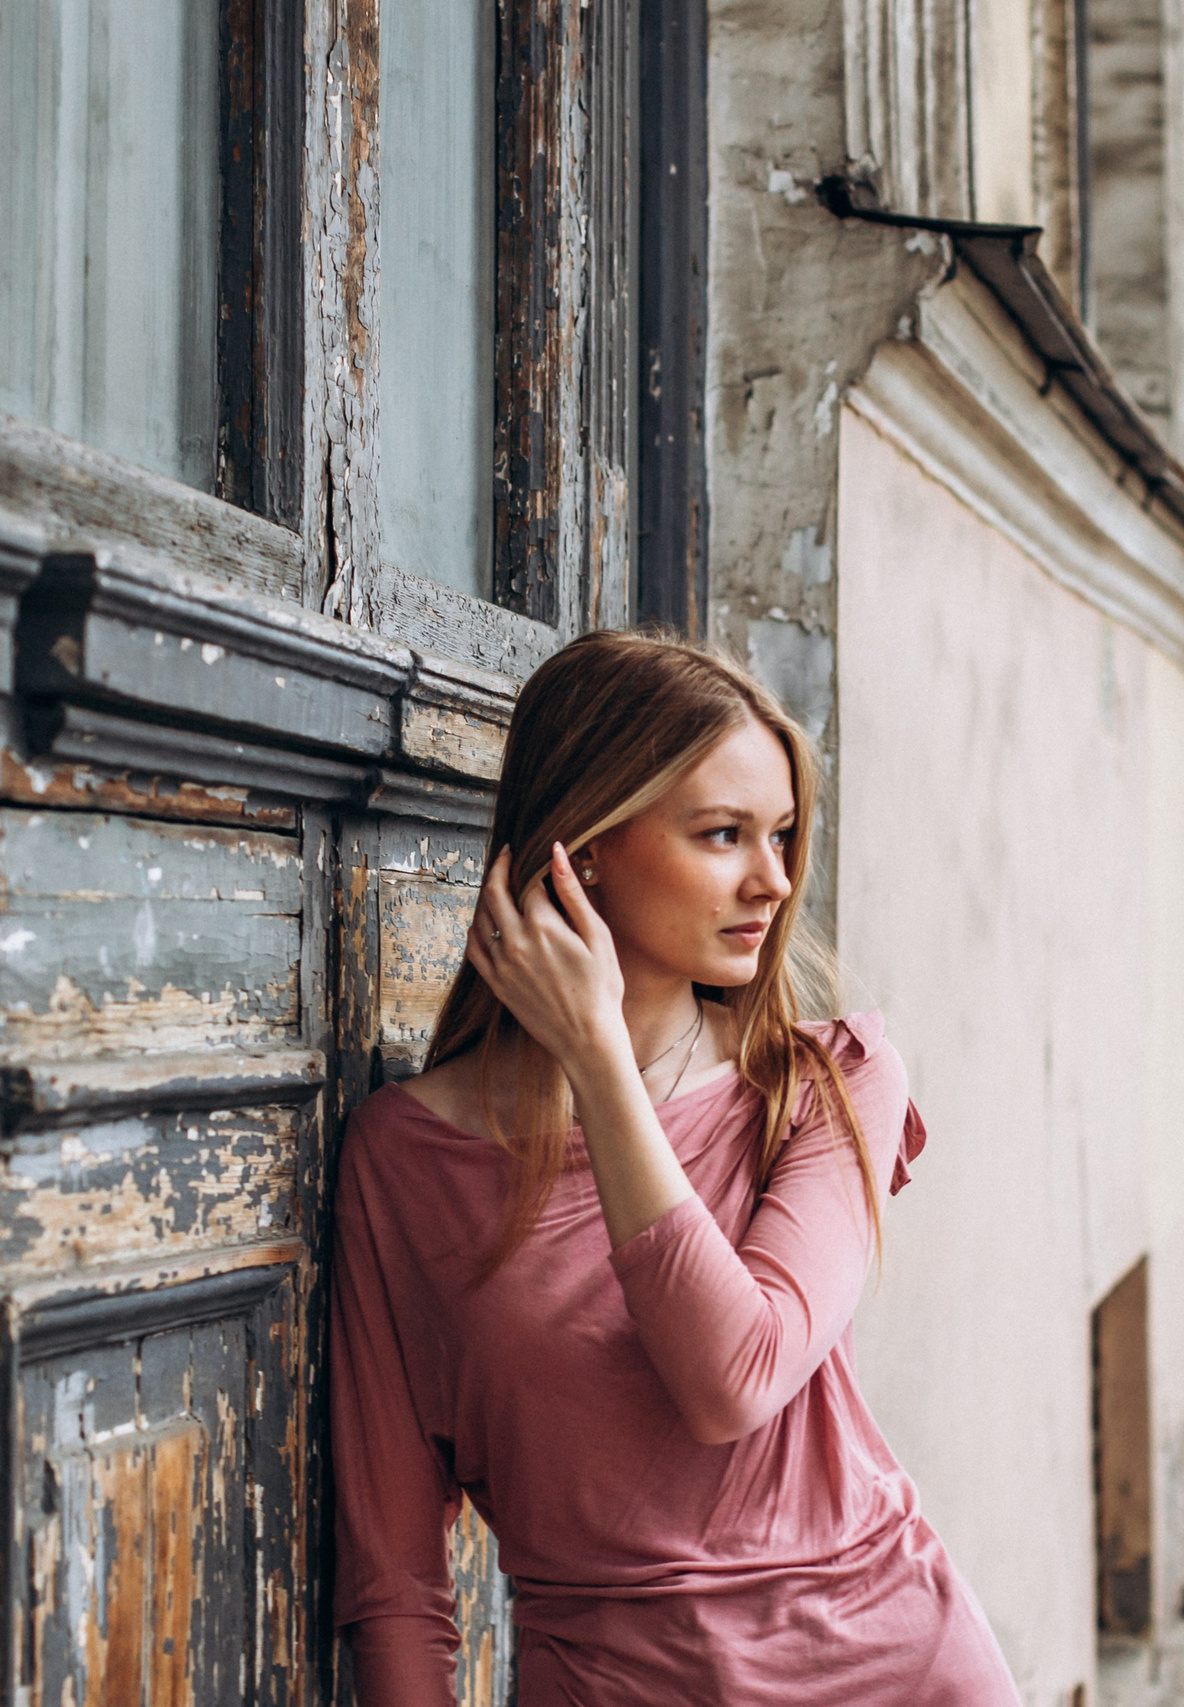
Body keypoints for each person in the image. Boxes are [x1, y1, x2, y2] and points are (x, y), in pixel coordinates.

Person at [330, 631, 1018, 1705]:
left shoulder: (828, 1086)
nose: (773, 880)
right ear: (585, 845)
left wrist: (597, 1061)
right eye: (722, 835)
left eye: (782, 835)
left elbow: (732, 1375)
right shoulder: (403, 1161)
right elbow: (396, 1582)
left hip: (895, 1668)